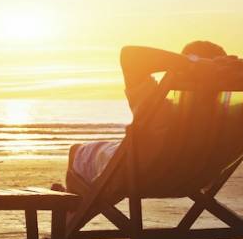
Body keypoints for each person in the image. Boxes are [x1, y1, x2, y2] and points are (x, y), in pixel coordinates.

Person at [55, 41, 233, 193]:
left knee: (78, 152)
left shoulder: (161, 107)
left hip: (143, 172)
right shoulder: (231, 116)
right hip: (197, 176)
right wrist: (228, 68)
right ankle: (75, 204)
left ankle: (70, 210)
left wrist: (193, 63)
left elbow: (130, 55)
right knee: (112, 160)